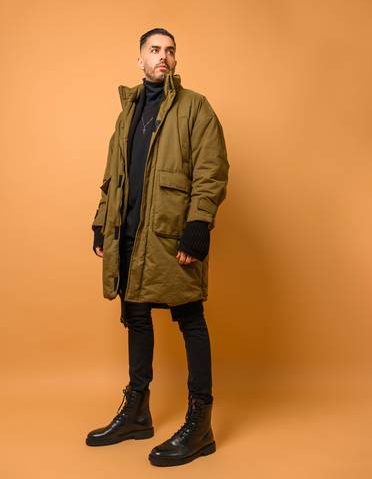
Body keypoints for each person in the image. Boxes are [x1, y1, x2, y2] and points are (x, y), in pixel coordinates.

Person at [85, 28, 230, 467]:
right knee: (136, 315)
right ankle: (137, 412)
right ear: (140, 60)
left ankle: (200, 423)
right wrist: (102, 222)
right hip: (129, 234)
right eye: (154, 49)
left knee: (190, 318)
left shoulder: (195, 108)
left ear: (174, 60)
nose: (162, 56)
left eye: (169, 50)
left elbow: (211, 169)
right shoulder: (127, 113)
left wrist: (198, 225)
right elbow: (113, 175)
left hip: (170, 234)